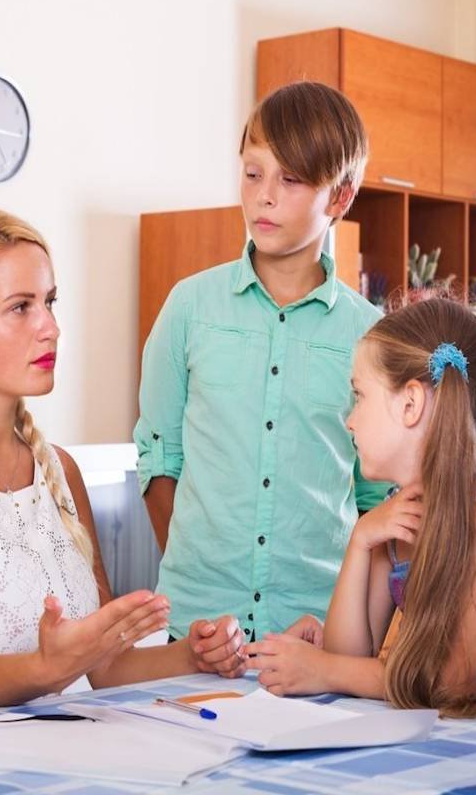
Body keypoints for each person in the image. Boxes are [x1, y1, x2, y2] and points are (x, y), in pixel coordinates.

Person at [0, 207, 243, 716]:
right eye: (20, 307)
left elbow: (105, 668)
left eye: (50, 302)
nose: (50, 328)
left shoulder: (59, 470)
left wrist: (193, 656)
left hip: (63, 757)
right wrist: (47, 668)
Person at [135, 81, 389, 645]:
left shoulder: (371, 336)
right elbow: (160, 460)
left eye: (291, 179)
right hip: (195, 632)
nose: (264, 197)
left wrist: (352, 628)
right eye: (253, 174)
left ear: (341, 198)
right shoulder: (188, 308)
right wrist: (199, 590)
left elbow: (376, 500)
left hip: (319, 631)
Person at [245, 297, 476, 716]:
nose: (349, 420)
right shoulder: (397, 514)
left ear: (410, 404)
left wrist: (324, 672)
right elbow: (347, 652)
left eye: (359, 396)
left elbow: (452, 683)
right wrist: (361, 539)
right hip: (445, 739)